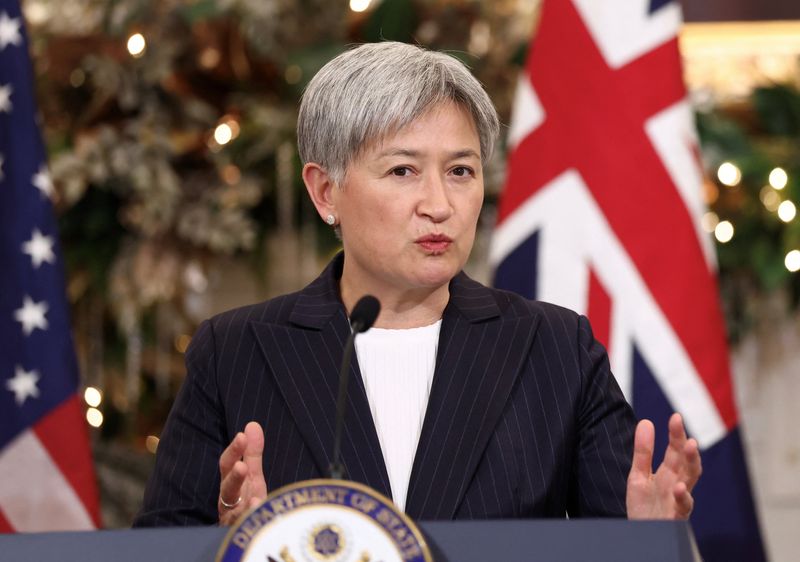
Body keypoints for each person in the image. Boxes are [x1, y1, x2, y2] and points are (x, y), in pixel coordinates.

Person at [134, 41, 701, 527]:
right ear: (325, 191)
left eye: (461, 171)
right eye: (402, 171)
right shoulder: (235, 352)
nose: (439, 205)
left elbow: (618, 539)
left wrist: (648, 538)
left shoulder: (555, 348)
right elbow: (163, 547)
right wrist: (231, 541)